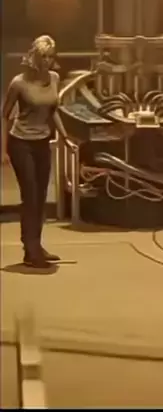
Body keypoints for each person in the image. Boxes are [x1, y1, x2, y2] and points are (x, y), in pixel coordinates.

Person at [1, 35, 74, 268]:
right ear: (34, 56)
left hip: (42, 142)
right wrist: (3, 150)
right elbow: (5, 115)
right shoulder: (19, 83)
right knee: (30, 195)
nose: (48, 60)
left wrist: (65, 137)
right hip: (21, 143)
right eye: (44, 56)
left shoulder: (54, 78)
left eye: (51, 56)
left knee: (40, 197)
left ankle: (36, 245)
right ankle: (30, 250)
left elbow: (53, 110)